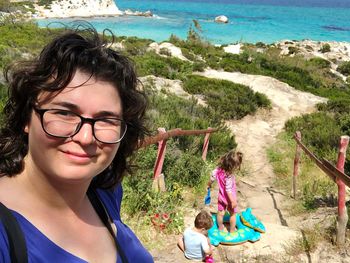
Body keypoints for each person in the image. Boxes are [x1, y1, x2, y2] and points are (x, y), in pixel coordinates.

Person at [0, 24, 153, 262]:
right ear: (26, 118)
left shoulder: (104, 192)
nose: (85, 138)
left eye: (106, 119)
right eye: (64, 113)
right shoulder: (5, 232)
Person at [207, 150, 243, 234]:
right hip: (229, 199)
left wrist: (208, 185)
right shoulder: (229, 176)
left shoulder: (217, 170)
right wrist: (232, 201)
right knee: (233, 214)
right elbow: (228, 190)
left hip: (221, 197)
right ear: (233, 166)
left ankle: (220, 227)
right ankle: (232, 230)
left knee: (220, 213)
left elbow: (212, 178)